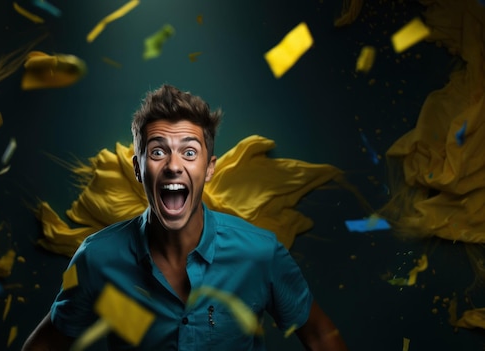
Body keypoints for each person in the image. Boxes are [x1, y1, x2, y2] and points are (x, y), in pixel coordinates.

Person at [22, 84, 348, 351]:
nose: (174, 165)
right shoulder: (96, 260)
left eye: (189, 152)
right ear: (138, 168)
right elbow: (47, 343)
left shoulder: (260, 254)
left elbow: (319, 335)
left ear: (209, 169)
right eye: (158, 151)